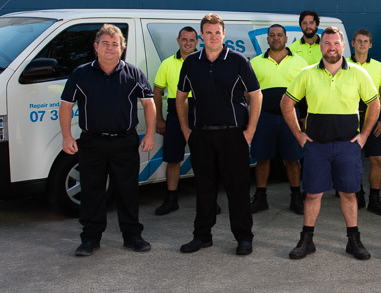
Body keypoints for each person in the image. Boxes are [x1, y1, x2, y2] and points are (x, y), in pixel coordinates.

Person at [281, 27, 380, 260]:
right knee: (312, 195)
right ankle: (307, 241)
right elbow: (286, 103)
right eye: (327, 43)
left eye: (336, 43)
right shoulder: (307, 73)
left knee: (349, 194)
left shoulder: (358, 73)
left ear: (343, 46)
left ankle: (353, 241)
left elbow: (374, 104)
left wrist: (364, 136)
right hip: (316, 147)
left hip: (348, 146)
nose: (332, 48)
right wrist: (299, 135)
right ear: (321, 46)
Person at [60, 24, 156, 257]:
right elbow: (66, 105)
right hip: (92, 143)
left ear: (122, 48)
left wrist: (150, 134)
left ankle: (132, 236)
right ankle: (90, 239)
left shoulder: (133, 73)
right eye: (105, 43)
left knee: (127, 191)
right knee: (92, 191)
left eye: (115, 44)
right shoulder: (81, 74)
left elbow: (149, 104)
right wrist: (67, 136)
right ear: (96, 47)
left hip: (125, 142)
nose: (110, 48)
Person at [176, 13, 263, 256]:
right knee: (204, 189)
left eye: (217, 32)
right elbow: (181, 98)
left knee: (238, 190)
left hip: (233, 136)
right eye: (208, 32)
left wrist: (249, 132)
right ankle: (202, 236)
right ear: (201, 35)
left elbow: (256, 95)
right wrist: (186, 130)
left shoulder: (238, 60)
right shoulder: (191, 63)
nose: (213, 37)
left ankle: (244, 237)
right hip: (202, 136)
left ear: (224, 34)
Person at [249, 24, 308, 215]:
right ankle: (261, 198)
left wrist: (304, 116)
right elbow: (247, 93)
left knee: (292, 159)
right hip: (264, 117)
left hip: (291, 118)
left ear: (286, 38)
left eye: (280, 35)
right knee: (262, 158)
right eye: (272, 35)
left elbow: (307, 92)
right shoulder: (255, 63)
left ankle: (296, 197)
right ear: (267, 39)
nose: (276, 38)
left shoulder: (300, 62)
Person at [152, 26, 198, 216]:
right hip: (174, 116)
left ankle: (207, 199)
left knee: (203, 159)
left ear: (197, 42)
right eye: (184, 39)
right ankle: (171, 199)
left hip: (199, 116)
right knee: (173, 159)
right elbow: (157, 92)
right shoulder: (167, 64)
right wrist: (159, 119)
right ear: (178, 41)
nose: (188, 43)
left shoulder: (203, 62)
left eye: (192, 40)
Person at [349, 28, 381, 216]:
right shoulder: (343, 64)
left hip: (372, 117)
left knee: (377, 159)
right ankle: (358, 194)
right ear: (353, 43)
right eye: (359, 41)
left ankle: (375, 198)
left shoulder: (378, 66)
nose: (362, 44)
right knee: (353, 159)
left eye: (366, 41)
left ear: (370, 44)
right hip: (349, 116)